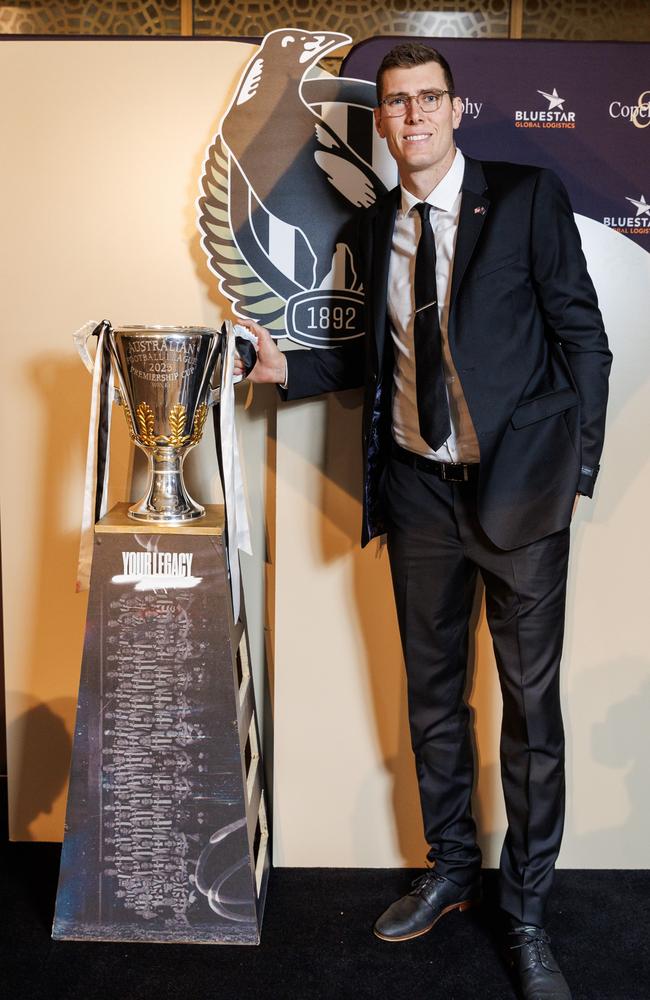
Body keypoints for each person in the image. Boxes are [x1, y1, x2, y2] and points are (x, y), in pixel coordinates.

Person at [235, 42, 611, 1000]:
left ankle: (523, 912)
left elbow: (584, 341)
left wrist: (576, 472)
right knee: (435, 701)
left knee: (531, 715)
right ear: (384, 121)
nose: (411, 117)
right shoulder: (372, 228)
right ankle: (451, 869)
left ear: (455, 109)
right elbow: (381, 357)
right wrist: (291, 372)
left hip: (520, 494)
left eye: (427, 100)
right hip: (418, 495)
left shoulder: (525, 197)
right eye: (395, 104)